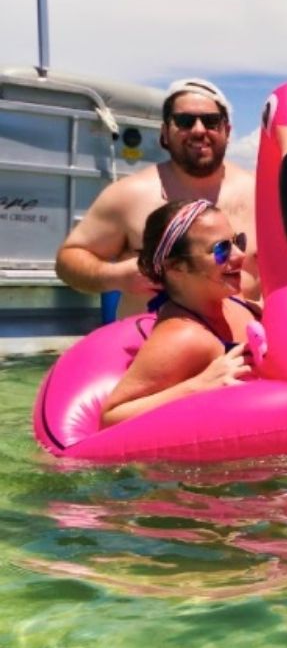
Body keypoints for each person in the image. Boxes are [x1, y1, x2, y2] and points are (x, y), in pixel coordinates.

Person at [56, 78, 257, 318]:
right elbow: (68, 261)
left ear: (227, 131)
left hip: (243, 349)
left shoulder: (262, 194)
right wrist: (117, 276)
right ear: (164, 132)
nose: (198, 129)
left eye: (211, 121)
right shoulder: (128, 195)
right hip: (150, 348)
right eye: (184, 121)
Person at [101, 200, 258, 427]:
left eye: (237, 241)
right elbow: (110, 417)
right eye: (221, 250)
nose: (240, 254)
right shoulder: (182, 337)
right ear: (176, 267)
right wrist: (198, 386)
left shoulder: (234, 301)